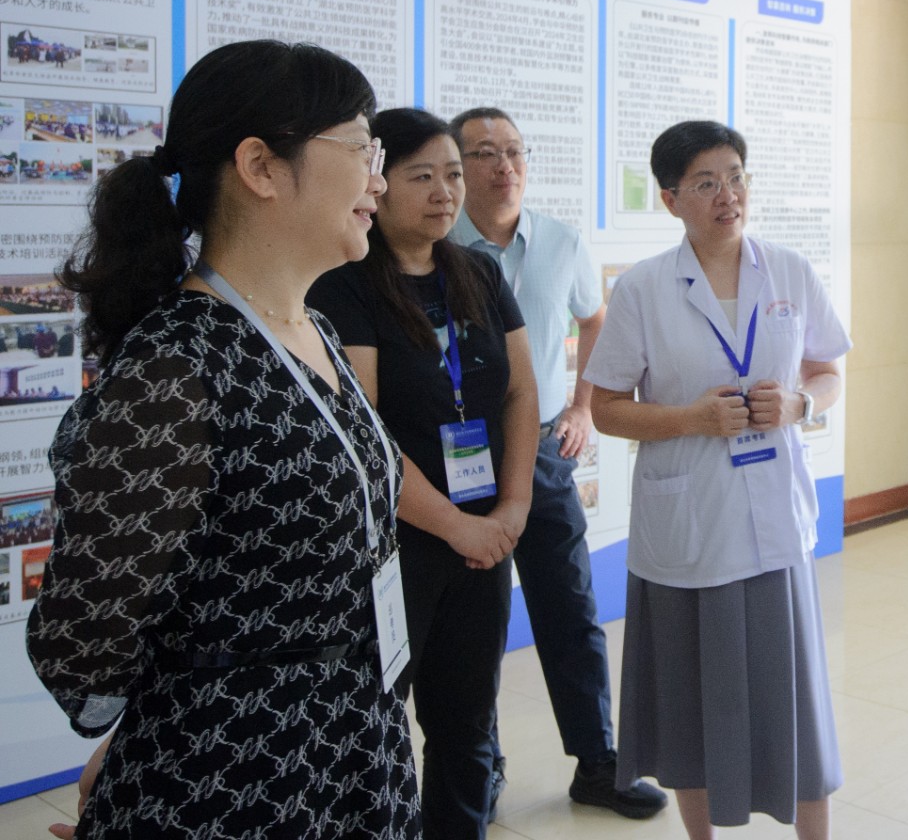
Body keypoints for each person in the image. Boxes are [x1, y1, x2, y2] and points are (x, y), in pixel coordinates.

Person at [26, 40, 420, 839]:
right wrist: (166, 712)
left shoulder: (314, 328)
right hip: (233, 781)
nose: (378, 180)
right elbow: (81, 639)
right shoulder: (174, 368)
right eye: (361, 149)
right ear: (260, 166)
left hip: (352, 752)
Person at [586, 120, 850, 839]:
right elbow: (606, 408)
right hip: (690, 527)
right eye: (706, 183)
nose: (727, 195)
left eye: (736, 177)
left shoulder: (789, 270)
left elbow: (827, 372)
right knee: (691, 708)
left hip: (775, 522)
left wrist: (799, 406)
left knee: (795, 704)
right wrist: (691, 420)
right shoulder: (643, 288)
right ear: (671, 199)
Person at [307, 107, 539, 840]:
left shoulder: (479, 272)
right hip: (396, 542)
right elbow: (366, 432)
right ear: (378, 185)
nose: (446, 192)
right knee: (374, 718)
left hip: (486, 534)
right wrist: (457, 526)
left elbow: (520, 393)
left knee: (467, 720)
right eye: (422, 176)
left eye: (453, 174)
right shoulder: (345, 284)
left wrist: (513, 508)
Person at [447, 106, 667, 819]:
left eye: (514, 151)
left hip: (541, 450)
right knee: (470, 626)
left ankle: (597, 764)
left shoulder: (562, 242)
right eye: (485, 153)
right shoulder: (432, 244)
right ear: (457, 167)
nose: (504, 166)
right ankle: (479, 770)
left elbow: (594, 319)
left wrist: (580, 406)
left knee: (570, 610)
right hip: (459, 454)